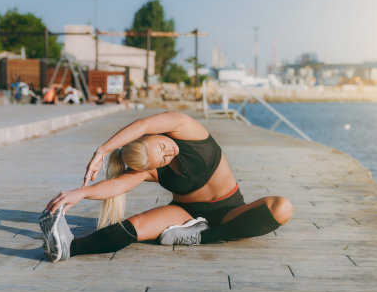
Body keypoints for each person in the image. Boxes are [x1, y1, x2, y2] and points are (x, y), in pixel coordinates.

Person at [41, 111, 293, 261]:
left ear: (155, 135)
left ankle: (202, 236)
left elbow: (143, 124)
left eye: (162, 146)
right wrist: (81, 193)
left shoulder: (185, 127)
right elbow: (116, 187)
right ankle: (69, 248)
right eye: (161, 158)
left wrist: (102, 150)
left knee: (282, 208)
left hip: (229, 211)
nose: (168, 153)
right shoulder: (150, 168)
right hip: (186, 212)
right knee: (136, 226)